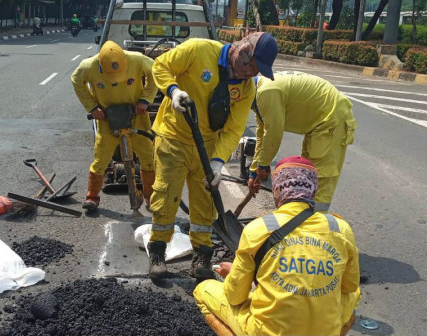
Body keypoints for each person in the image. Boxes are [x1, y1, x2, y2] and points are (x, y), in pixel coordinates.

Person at [147, 32, 279, 280]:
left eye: (258, 71)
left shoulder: (246, 88)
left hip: (206, 147)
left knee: (204, 203)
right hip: (172, 138)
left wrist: (218, 164)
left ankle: (202, 256)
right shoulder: (199, 50)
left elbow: (232, 129)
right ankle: (157, 252)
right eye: (252, 66)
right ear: (242, 51)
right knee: (165, 198)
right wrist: (173, 91)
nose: (252, 74)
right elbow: (161, 65)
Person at [194, 156, 361, 336]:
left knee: (203, 290)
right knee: (354, 295)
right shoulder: (340, 228)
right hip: (324, 330)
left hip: (267, 332)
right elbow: (350, 286)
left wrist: (232, 277)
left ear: (276, 190)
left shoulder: (258, 229)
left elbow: (235, 298)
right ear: (313, 190)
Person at [248, 71, 357, 212]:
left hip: (331, 118)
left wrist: (263, 166)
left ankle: (316, 221)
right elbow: (262, 135)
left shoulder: (267, 92)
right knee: (307, 173)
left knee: (321, 174)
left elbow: (273, 134)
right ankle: (303, 218)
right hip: (318, 123)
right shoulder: (259, 95)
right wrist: (254, 171)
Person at [71, 41, 157, 211]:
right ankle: (92, 197)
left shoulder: (137, 60)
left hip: (137, 117)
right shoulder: (88, 66)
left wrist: (145, 99)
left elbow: (156, 73)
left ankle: (150, 197)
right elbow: (76, 80)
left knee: (148, 159)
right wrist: (92, 107)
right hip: (107, 120)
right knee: (101, 160)